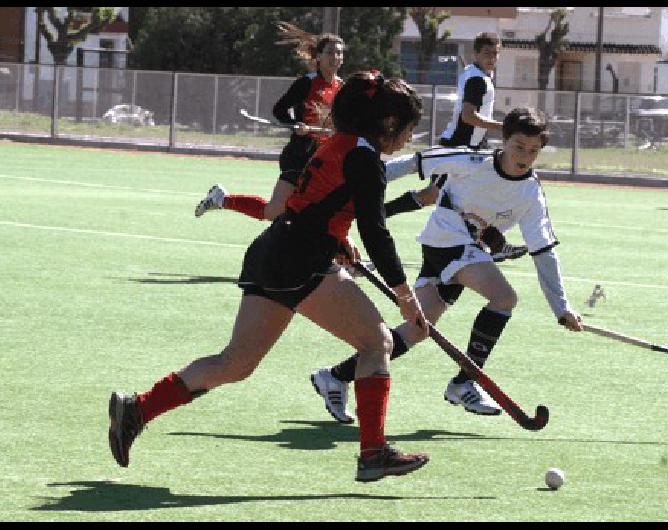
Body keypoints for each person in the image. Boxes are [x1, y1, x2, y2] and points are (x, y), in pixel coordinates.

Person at [108, 71, 432, 483]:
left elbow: (315, 203)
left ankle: (137, 407)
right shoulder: (366, 159)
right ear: (388, 123)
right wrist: (405, 294)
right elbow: (375, 229)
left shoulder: (339, 144)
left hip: (274, 250)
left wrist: (338, 239)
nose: (407, 139)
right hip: (300, 261)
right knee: (377, 341)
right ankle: (373, 454)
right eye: (407, 130)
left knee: (235, 363)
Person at [308, 107, 583, 424]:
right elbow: (415, 162)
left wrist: (561, 307)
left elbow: (544, 250)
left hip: (464, 250)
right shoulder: (471, 161)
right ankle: (466, 381)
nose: (525, 156)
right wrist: (364, 179)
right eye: (519, 146)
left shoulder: (531, 192)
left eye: (534, 150)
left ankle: (335, 376)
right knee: (504, 297)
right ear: (504, 140)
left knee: (416, 331)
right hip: (445, 240)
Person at [382, 33, 527, 263]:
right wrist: (504, 127)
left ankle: (494, 245)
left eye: (496, 53)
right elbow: (469, 116)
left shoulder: (475, 74)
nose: (492, 58)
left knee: (468, 199)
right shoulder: (477, 80)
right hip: (458, 149)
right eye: (488, 53)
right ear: (476, 53)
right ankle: (378, 213)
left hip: (469, 149)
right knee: (433, 195)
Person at [194, 24, 344, 222]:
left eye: (339, 53)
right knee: (274, 212)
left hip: (324, 158)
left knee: (327, 210)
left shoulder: (341, 87)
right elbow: (279, 110)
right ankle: (222, 200)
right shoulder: (306, 83)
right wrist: (295, 125)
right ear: (319, 56)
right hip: (300, 155)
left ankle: (341, 252)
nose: (335, 57)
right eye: (330, 52)